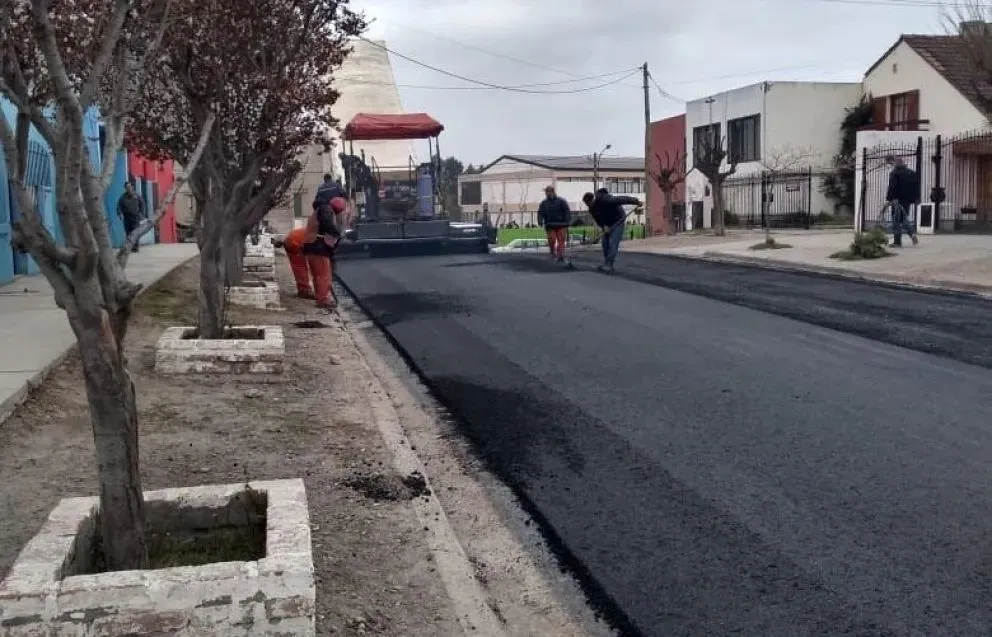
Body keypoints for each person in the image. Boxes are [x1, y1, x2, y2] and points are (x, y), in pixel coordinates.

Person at [303, 196, 348, 310]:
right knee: (324, 275)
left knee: (317, 275)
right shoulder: (326, 209)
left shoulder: (319, 210)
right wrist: (337, 234)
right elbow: (327, 225)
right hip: (318, 246)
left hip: (310, 246)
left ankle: (320, 297)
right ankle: (323, 300)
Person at [583, 189, 642, 273]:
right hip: (607, 224)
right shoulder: (591, 209)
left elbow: (621, 199)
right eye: (587, 204)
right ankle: (607, 263)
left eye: (590, 203)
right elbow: (598, 220)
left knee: (613, 242)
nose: (589, 205)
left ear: (593, 199)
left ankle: (609, 265)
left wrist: (635, 201)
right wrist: (604, 227)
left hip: (618, 219)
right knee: (605, 243)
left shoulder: (605, 199)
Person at [884, 155, 920, 247]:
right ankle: (912, 234)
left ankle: (897, 242)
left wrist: (889, 199)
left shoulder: (894, 173)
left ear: (894, 163)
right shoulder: (912, 173)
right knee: (903, 218)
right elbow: (916, 187)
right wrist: (916, 199)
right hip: (907, 200)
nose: (891, 165)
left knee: (896, 220)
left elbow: (892, 187)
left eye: (890, 163)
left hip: (897, 200)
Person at [272, 228, 314, 299]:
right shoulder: (325, 236)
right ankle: (305, 291)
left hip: (291, 240)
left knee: (298, 268)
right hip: (295, 243)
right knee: (301, 268)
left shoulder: (318, 231)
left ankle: (303, 290)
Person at [537, 185, 571, 264]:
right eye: (546, 192)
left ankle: (560, 255)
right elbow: (540, 213)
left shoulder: (561, 201)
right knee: (551, 240)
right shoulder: (544, 203)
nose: (546, 193)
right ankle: (553, 253)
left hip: (562, 224)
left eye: (547, 192)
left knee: (561, 241)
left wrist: (567, 220)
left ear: (552, 192)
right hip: (550, 225)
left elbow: (567, 211)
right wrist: (540, 221)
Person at [117, 181, 144, 252]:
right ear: (125, 188)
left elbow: (142, 204)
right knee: (128, 232)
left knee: (135, 232)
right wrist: (120, 214)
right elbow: (118, 206)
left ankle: (136, 247)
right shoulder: (122, 197)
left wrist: (141, 214)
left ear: (132, 187)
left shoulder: (137, 196)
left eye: (129, 187)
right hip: (127, 218)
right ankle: (130, 247)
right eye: (127, 187)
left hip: (135, 217)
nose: (128, 188)